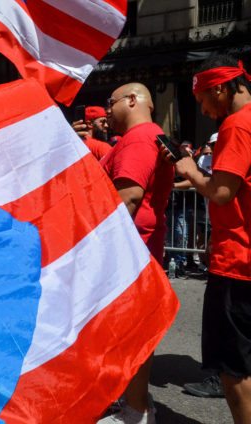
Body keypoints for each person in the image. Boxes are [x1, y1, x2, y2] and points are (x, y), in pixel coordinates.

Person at [167, 55, 251, 423]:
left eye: (201, 97)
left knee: (234, 367)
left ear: (220, 88)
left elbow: (221, 192)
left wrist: (187, 169)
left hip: (237, 262)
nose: (201, 108)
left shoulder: (237, 125)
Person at [98, 83, 175, 424]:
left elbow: (127, 199)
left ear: (132, 100)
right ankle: (133, 402)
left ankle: (137, 410)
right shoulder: (145, 136)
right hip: (135, 249)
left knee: (132, 333)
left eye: (110, 103)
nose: (106, 112)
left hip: (129, 251)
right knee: (126, 332)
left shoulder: (140, 137)